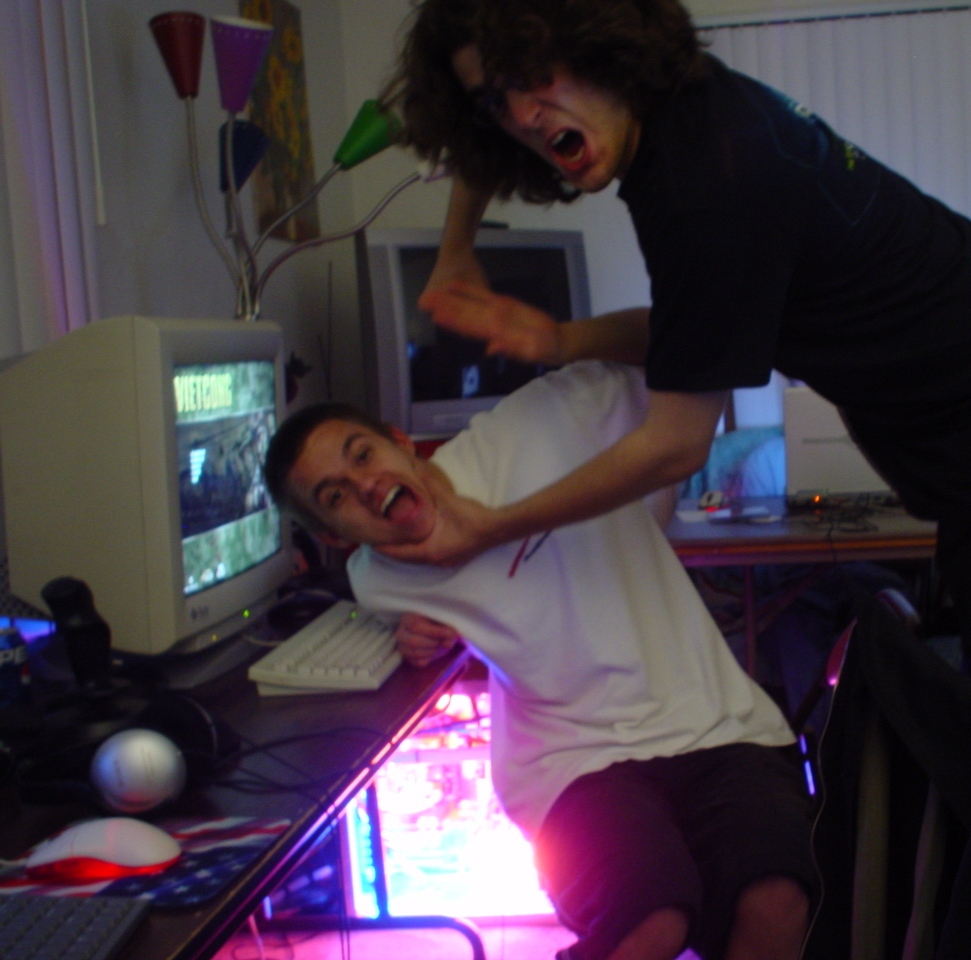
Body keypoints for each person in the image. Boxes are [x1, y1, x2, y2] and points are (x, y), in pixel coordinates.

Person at [381, 2, 971, 956]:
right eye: (492, 103)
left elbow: (674, 444)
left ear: (595, 35)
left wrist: (489, 525)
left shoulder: (705, 177)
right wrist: (491, 278)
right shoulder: (685, 112)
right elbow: (712, 316)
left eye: (530, 73)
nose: (519, 114)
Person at [263, 360, 818, 960]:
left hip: (712, 720)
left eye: (363, 455)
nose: (366, 486)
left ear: (401, 443)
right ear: (336, 537)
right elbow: (470, 608)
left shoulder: (538, 420)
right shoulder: (378, 582)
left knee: (776, 902)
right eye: (336, 496)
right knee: (651, 926)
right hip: (569, 760)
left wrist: (563, 342)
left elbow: (683, 348)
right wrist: (414, 632)